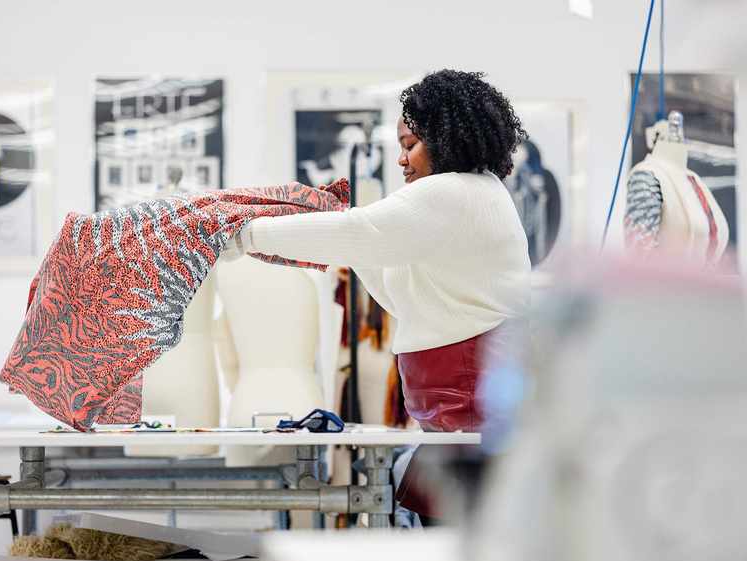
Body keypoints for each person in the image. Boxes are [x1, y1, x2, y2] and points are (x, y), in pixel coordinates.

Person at [227, 69, 531, 521]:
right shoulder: (474, 195)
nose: (402, 161)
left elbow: (361, 231)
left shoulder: (453, 193)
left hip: (469, 413)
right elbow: (396, 292)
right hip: (458, 415)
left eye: (410, 145)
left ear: (447, 139)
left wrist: (247, 234)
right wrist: (350, 243)